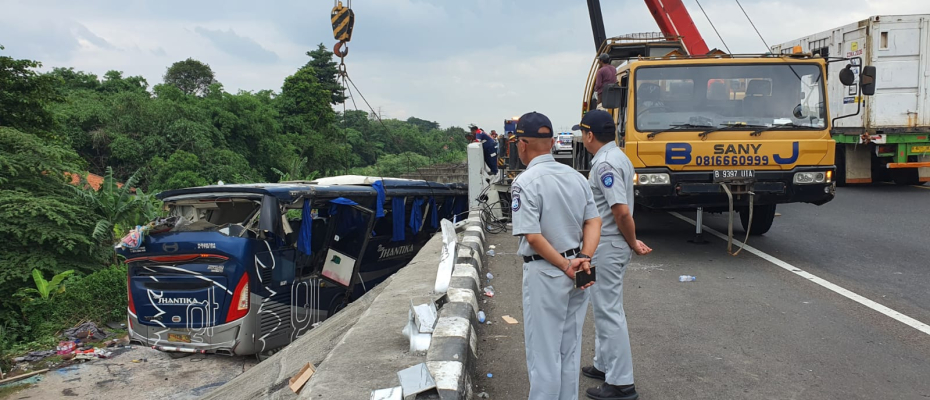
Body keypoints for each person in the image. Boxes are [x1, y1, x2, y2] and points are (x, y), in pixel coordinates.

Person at [511, 111, 602, 400]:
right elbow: (594, 221)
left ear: (522, 144)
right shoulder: (576, 177)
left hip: (548, 271)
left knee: (543, 353)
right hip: (580, 268)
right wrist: (584, 257)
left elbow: (533, 236)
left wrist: (564, 265)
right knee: (569, 349)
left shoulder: (525, 182)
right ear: (551, 142)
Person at [573, 110, 652, 400]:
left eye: (583, 133)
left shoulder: (604, 164)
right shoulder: (617, 157)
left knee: (609, 312)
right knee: (604, 307)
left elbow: (620, 211)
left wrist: (632, 241)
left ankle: (621, 383)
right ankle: (603, 365)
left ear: (589, 135)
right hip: (609, 244)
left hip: (607, 244)